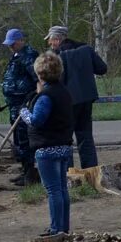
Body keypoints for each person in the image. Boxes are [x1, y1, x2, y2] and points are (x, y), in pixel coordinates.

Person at [22, 51, 75, 236]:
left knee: (53, 191)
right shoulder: (64, 92)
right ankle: (63, 226)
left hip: (47, 149)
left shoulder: (45, 97)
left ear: (39, 74)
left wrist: (24, 114)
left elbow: (37, 120)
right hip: (64, 146)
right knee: (61, 189)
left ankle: (55, 228)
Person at [46, 25, 107, 170]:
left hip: (67, 101)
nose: (50, 43)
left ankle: (69, 172)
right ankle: (91, 170)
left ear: (58, 39)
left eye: (51, 40)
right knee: (85, 135)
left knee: (65, 138)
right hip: (87, 99)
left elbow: (55, 80)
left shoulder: (57, 56)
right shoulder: (86, 50)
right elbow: (102, 69)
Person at [1, 28, 40, 185]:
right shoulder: (16, 56)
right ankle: (25, 171)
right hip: (14, 104)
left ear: (20, 41)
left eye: (13, 43)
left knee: (24, 139)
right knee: (18, 139)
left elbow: (36, 77)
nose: (10, 47)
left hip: (24, 102)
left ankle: (31, 174)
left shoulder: (29, 55)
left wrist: (32, 98)